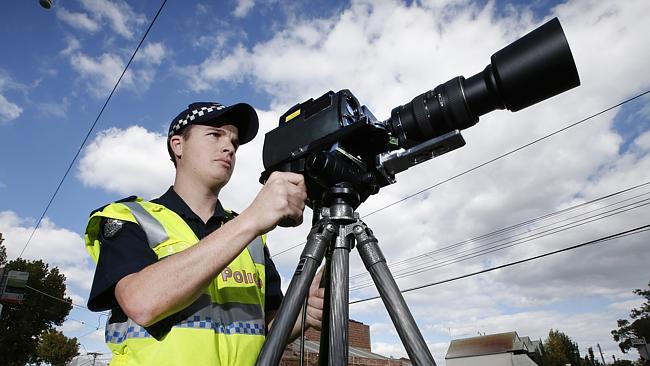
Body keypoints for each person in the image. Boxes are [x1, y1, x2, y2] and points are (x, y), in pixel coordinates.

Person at [84, 102, 324, 365]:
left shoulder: (252, 238)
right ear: (178, 145)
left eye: (234, 141)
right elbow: (141, 302)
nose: (229, 147)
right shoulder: (130, 216)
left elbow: (264, 326)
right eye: (214, 134)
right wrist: (251, 219)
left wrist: (303, 314)